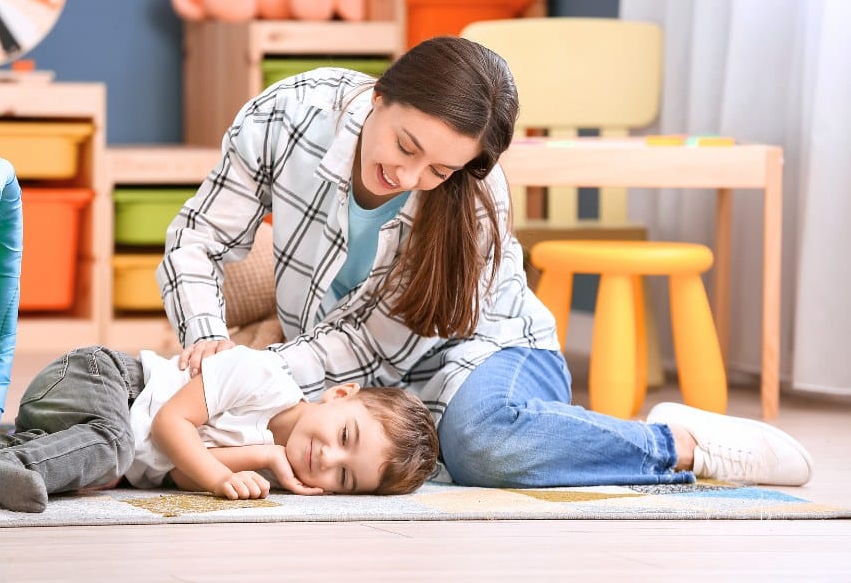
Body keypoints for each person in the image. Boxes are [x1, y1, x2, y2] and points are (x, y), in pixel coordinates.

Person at [158, 36, 813, 491]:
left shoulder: (471, 206)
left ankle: (681, 445)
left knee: (480, 443)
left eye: (437, 169)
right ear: (381, 94)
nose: (407, 176)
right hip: (340, 376)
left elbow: (365, 346)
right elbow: (198, 238)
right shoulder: (288, 115)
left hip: (485, 353)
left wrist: (249, 376)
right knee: (222, 423)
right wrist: (207, 346)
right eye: (404, 145)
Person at [0, 345, 439, 513]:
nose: (328, 459)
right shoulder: (260, 376)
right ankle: (10, 467)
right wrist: (221, 478)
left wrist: (264, 458)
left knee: (105, 470)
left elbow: (175, 474)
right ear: (339, 395)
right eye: (345, 438)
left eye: (344, 478)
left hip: (74, 428)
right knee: (116, 451)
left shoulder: (275, 469)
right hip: (99, 378)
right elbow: (167, 427)